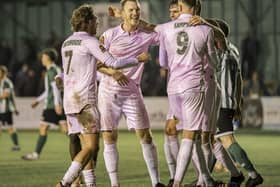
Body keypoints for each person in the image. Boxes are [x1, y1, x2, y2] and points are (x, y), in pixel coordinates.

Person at [55, 4, 149, 187]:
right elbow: (112, 62)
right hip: (84, 101)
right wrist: (138, 59)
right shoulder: (90, 41)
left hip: (69, 100)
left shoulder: (67, 42)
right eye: (95, 21)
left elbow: (69, 69)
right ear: (88, 22)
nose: (97, 25)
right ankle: (64, 183)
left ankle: (90, 185)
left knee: (86, 146)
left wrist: (60, 77)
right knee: (92, 146)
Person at [154, 0, 222, 186]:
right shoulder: (204, 30)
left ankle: (205, 179)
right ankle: (176, 182)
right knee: (190, 136)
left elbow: (163, 63)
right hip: (192, 86)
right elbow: (215, 64)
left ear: (181, 6)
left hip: (173, 88)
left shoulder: (166, 28)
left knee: (186, 134)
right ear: (196, 7)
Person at [99, 1, 166, 187]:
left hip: (132, 92)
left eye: (137, 9)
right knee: (109, 138)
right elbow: (97, 63)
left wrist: (141, 22)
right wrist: (113, 72)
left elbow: (165, 35)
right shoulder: (109, 35)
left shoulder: (146, 35)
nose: (135, 13)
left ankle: (156, 183)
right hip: (108, 92)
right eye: (131, 10)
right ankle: (115, 184)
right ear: (123, 13)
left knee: (146, 136)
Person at [214, 19, 264, 187]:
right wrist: (238, 101)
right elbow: (240, 79)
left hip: (221, 103)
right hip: (227, 102)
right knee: (214, 142)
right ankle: (210, 180)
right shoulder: (234, 50)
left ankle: (253, 174)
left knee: (227, 140)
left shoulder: (223, 52)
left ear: (218, 34)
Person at [21, 48, 67, 160]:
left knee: (43, 127)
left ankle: (36, 154)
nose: (42, 58)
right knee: (65, 129)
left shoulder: (52, 70)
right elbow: (50, 90)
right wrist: (38, 100)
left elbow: (55, 88)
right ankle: (84, 146)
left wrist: (56, 104)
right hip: (54, 104)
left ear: (48, 58)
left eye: (43, 56)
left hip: (52, 105)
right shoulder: (52, 70)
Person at [0, 65, 21, 151]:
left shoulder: (7, 82)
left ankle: (16, 145)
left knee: (10, 127)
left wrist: (15, 108)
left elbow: (7, 94)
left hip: (6, 109)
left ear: (4, 73)